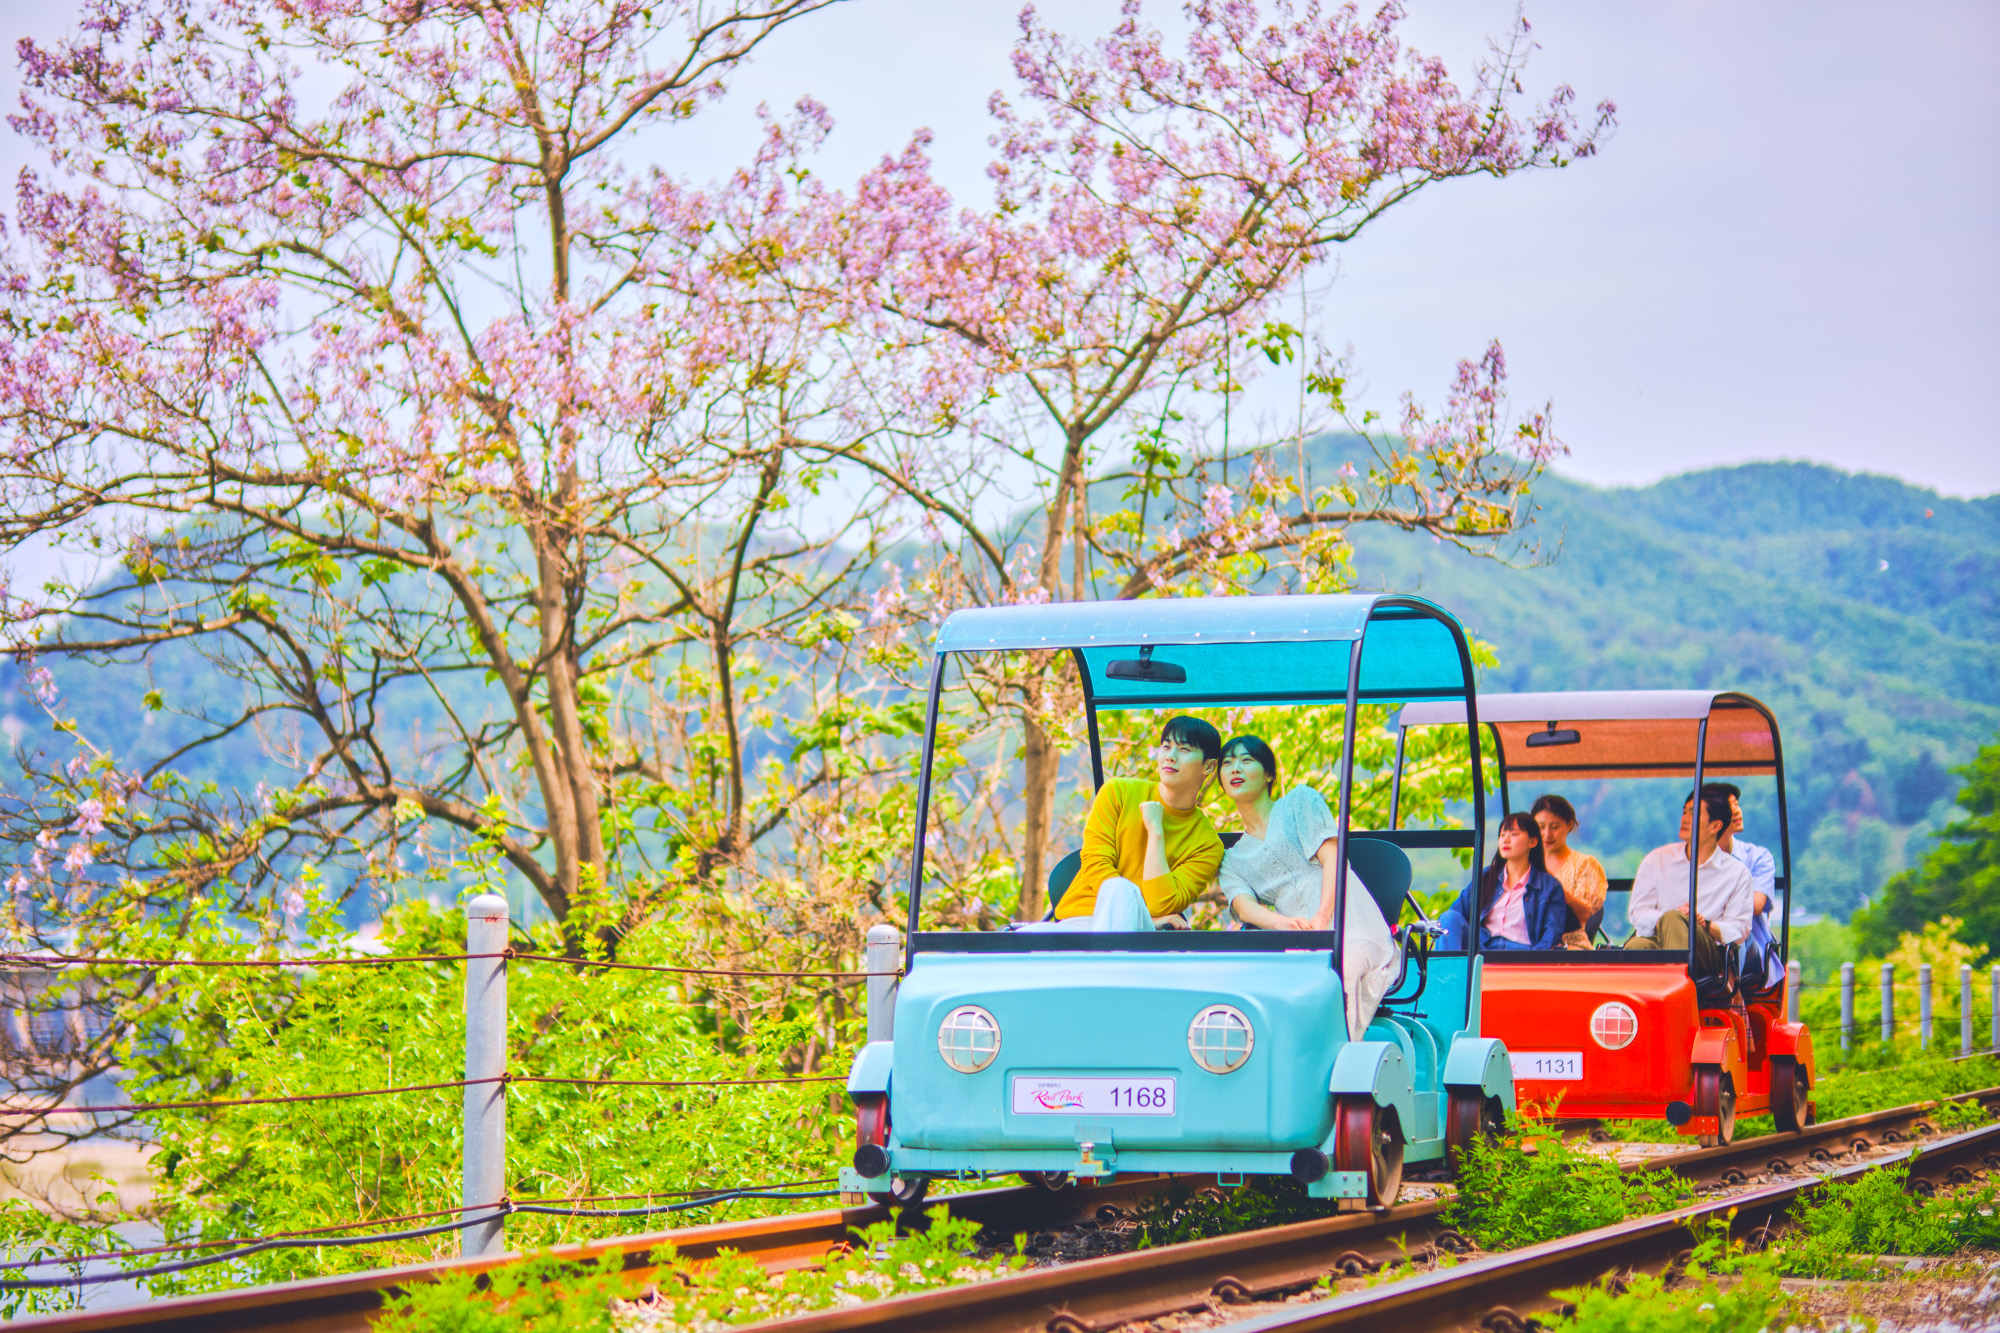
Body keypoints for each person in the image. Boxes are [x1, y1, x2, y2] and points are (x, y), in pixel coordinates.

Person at [1214, 734, 1397, 1038]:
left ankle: (1341, 1060)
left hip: (1351, 923)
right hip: (1297, 936)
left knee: (1342, 964)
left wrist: (1323, 919)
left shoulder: (1300, 802)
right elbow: (1244, 906)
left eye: (1246, 760)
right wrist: (1282, 923)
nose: (1235, 768)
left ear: (1269, 774)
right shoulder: (1233, 859)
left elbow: (1334, 861)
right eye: (1228, 763)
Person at [1039, 715, 1226, 931]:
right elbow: (1095, 862)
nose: (1170, 756)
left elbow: (1162, 903)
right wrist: (1132, 913)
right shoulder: (1118, 791)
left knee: (1121, 890)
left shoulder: (1208, 845)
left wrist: (1156, 831)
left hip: (1142, 931)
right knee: (1024, 941)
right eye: (1166, 747)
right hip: (1080, 922)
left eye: (1184, 750)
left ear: (1209, 766)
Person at [1624, 789, 1753, 973]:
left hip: (1707, 951)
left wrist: (1704, 924)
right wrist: (1669, 922)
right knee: (1637, 946)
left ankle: (1677, 995)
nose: (1684, 819)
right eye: (1684, 812)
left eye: (1693, 813)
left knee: (1674, 918)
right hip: (1658, 940)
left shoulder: (1737, 873)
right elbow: (1638, 912)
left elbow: (1739, 930)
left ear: (1715, 826)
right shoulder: (1657, 859)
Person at [1437, 812, 1569, 952]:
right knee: (1449, 918)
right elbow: (1454, 916)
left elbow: (1551, 935)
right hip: (1483, 949)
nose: (1506, 840)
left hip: (1522, 954)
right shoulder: (1487, 876)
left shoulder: (1550, 887)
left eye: (1514, 834)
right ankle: (1447, 974)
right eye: (1502, 835)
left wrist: (1534, 962)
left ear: (1533, 841)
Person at [1700, 782, 1782, 989]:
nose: (1736, 811)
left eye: (1736, 804)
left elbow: (1755, 904)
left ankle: (1729, 992)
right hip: (1705, 938)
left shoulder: (1757, 857)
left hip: (1748, 942)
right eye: (1728, 807)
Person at [1531, 794, 1609, 950]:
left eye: (1554, 827)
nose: (1547, 834)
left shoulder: (1585, 865)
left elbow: (1586, 915)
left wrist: (1558, 890)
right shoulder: (1527, 864)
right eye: (1541, 827)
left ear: (1569, 825)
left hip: (1569, 946)